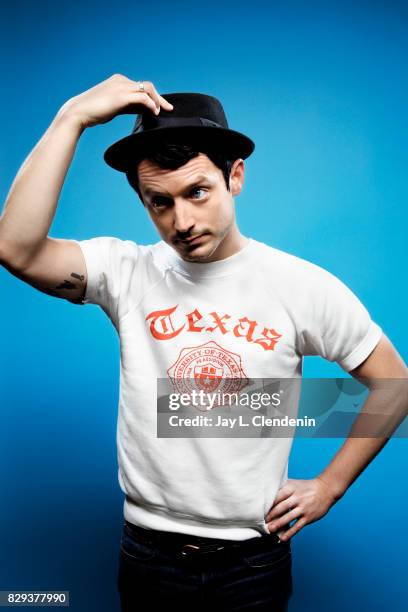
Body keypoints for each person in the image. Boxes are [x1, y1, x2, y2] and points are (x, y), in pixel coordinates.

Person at [0, 74, 406, 611]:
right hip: (148, 557)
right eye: (159, 203)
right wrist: (71, 116)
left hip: (252, 565)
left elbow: (394, 384)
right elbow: (15, 248)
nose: (182, 222)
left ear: (234, 177)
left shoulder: (300, 285)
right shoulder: (127, 272)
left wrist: (329, 486)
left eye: (197, 192)